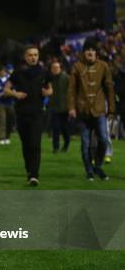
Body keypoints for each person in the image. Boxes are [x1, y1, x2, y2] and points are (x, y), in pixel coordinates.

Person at [67, 37, 116, 181]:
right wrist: (71, 108)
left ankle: (98, 166)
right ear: (83, 52)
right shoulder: (76, 67)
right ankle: (89, 170)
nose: (90, 52)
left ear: (96, 52)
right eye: (87, 49)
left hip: (99, 109)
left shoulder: (103, 66)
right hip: (82, 111)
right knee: (85, 144)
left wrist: (111, 108)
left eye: (93, 50)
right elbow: (71, 90)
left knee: (103, 140)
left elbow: (109, 87)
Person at [4, 45, 52, 186]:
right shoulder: (18, 73)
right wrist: (15, 94)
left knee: (35, 143)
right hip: (22, 113)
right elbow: (6, 89)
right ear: (25, 57)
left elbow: (50, 89)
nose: (33, 57)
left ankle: (34, 175)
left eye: (36, 55)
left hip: (37, 112)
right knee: (26, 144)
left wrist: (48, 93)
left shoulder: (44, 72)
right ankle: (29, 171)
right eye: (30, 55)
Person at [47, 61, 71, 153]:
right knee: (55, 128)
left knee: (65, 128)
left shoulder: (66, 78)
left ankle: (66, 143)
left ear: (60, 68)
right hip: (54, 108)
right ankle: (56, 147)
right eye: (53, 68)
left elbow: (71, 92)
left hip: (65, 108)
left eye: (57, 67)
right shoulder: (50, 79)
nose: (55, 69)